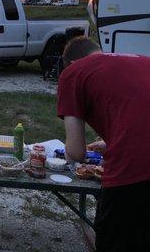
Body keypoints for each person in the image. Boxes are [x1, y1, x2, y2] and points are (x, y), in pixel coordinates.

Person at [57, 36, 150, 252]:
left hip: (134, 174)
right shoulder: (140, 60)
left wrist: (71, 151)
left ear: (71, 64)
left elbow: (77, 152)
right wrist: (112, 143)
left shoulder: (73, 72)